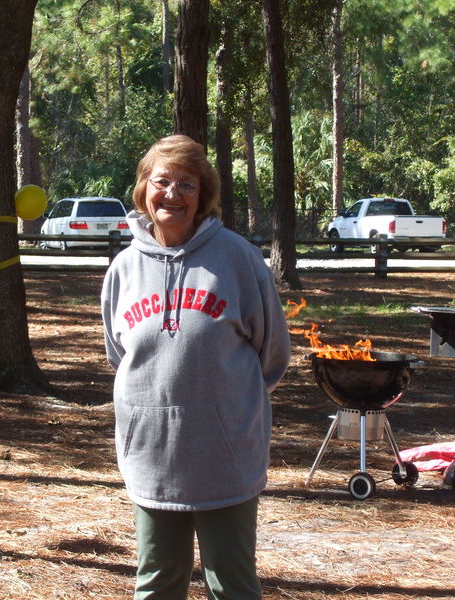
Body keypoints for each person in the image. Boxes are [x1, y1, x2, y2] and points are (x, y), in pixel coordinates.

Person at [100, 134, 291, 599]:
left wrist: (224, 413)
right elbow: (120, 356)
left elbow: (272, 355)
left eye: (187, 184)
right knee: (157, 582)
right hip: (152, 456)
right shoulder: (123, 269)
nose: (173, 194)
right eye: (162, 181)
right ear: (144, 189)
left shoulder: (238, 259)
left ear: (203, 195)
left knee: (231, 584)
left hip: (224, 456)